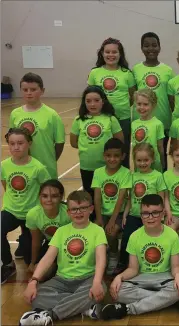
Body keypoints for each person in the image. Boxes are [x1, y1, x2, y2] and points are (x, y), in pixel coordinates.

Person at [19, 190, 107, 325]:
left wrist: (96, 282)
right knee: (37, 295)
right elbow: (48, 258)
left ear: (91, 209)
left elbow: (101, 258)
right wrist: (33, 281)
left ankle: (50, 314)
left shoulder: (97, 230)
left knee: (101, 288)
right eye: (74, 209)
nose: (78, 212)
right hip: (61, 280)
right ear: (68, 212)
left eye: (82, 208)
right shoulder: (61, 231)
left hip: (87, 279)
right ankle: (82, 307)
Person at [100, 194, 179, 320]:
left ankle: (129, 309)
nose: (150, 217)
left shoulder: (172, 235)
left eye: (155, 213)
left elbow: (176, 266)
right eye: (146, 213)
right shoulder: (135, 236)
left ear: (163, 214)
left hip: (164, 278)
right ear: (141, 216)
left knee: (177, 288)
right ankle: (166, 300)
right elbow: (133, 269)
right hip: (142, 277)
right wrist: (119, 277)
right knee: (118, 292)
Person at [1, 128, 50, 284]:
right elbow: (6, 185)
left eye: (20, 143)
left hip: (32, 213)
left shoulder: (38, 168)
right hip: (11, 210)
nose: (16, 147)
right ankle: (8, 264)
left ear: (29, 144)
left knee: (31, 260)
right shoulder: (4, 165)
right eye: (12, 143)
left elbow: (46, 189)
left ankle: (27, 241)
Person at [70, 85, 124, 202]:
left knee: (107, 196)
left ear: (103, 101)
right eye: (88, 101)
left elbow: (119, 141)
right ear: (84, 103)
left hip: (107, 166)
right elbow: (74, 143)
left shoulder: (110, 119)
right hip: (87, 166)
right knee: (89, 197)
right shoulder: (78, 120)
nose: (92, 104)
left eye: (96, 100)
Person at [88, 37, 136, 168]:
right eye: (107, 52)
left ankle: (124, 184)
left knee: (123, 154)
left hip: (123, 119)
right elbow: (90, 95)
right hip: (102, 119)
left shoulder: (127, 73)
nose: (111, 55)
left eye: (114, 52)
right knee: (106, 154)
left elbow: (132, 96)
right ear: (102, 53)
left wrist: (121, 107)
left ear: (120, 54)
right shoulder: (95, 72)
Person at [118, 143, 166, 272]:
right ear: (134, 160)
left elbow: (161, 198)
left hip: (152, 216)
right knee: (127, 237)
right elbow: (130, 198)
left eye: (146, 160)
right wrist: (125, 214)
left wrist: (161, 216)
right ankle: (123, 263)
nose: (142, 163)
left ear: (152, 159)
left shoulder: (158, 176)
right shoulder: (132, 176)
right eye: (139, 160)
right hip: (135, 215)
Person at [9, 73, 65, 180]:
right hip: (23, 168)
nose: (29, 93)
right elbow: (12, 139)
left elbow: (59, 142)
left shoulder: (52, 115)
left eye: (33, 89)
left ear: (42, 91)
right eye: (25, 90)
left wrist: (50, 160)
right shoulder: (15, 114)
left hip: (46, 167)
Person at [91, 138, 132, 275]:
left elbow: (121, 199)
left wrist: (112, 220)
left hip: (119, 214)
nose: (112, 159)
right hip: (102, 212)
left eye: (116, 156)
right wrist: (99, 218)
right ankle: (101, 255)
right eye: (108, 156)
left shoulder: (125, 173)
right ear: (104, 156)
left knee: (112, 231)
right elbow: (97, 197)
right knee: (94, 230)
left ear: (123, 157)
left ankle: (114, 254)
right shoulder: (98, 172)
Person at [26, 180, 71, 279]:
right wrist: (33, 262)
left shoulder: (69, 213)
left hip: (69, 245)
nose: (49, 200)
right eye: (45, 196)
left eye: (54, 196)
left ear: (61, 197)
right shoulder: (33, 214)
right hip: (51, 245)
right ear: (39, 197)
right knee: (39, 274)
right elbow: (36, 241)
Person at [131, 88, 165, 172]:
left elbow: (160, 147)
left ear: (153, 105)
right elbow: (133, 147)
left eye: (146, 104)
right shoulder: (133, 124)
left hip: (154, 166)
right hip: (139, 166)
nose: (142, 107)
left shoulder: (158, 124)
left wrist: (163, 163)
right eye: (139, 104)